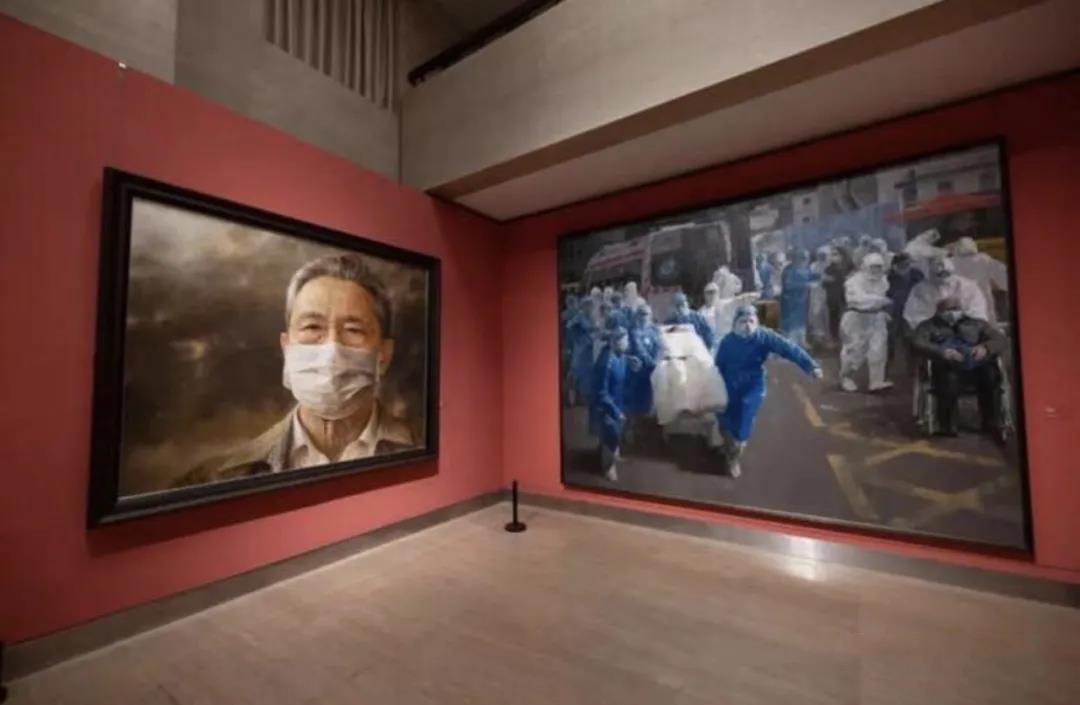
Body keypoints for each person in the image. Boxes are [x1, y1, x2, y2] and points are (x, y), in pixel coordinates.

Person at [175, 254, 414, 487]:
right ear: (287, 348)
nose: (331, 350)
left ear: (384, 355)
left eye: (354, 330)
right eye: (312, 327)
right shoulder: (213, 480)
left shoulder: (423, 450)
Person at [714, 305, 823, 477]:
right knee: (725, 419)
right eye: (743, 321)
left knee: (744, 419)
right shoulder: (727, 342)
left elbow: (789, 349)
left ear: (757, 322)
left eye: (751, 321)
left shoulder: (764, 337)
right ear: (735, 323)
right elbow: (718, 366)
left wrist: (810, 366)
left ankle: (734, 456)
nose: (747, 326)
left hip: (753, 385)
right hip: (729, 384)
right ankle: (729, 444)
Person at [911, 297, 1007, 439]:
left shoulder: (978, 324)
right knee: (948, 379)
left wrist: (985, 348)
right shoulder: (927, 326)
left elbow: (1000, 339)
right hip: (947, 366)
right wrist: (942, 352)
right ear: (938, 311)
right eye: (948, 309)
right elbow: (917, 342)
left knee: (991, 375)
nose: (952, 312)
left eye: (955, 309)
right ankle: (947, 425)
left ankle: (991, 423)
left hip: (975, 366)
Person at [839, 253, 893, 393]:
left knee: (878, 350)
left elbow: (883, 299)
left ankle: (876, 381)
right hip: (856, 319)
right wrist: (880, 301)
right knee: (854, 351)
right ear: (865, 266)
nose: (875, 270)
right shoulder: (853, 282)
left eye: (878, 267)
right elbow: (858, 300)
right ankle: (846, 377)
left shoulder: (883, 281)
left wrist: (882, 310)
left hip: (876, 318)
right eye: (873, 267)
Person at [903, 255, 989, 329]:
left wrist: (961, 316)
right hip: (934, 334)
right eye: (935, 262)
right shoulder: (920, 290)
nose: (942, 267)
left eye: (945, 273)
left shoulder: (968, 286)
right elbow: (913, 319)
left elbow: (979, 316)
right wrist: (936, 318)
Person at [591, 326, 631, 481]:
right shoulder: (606, 361)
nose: (627, 343)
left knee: (614, 434)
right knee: (611, 436)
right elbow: (601, 392)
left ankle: (608, 456)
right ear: (616, 341)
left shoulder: (620, 356)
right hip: (606, 406)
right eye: (625, 340)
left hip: (617, 401)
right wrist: (615, 411)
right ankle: (608, 468)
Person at [951, 237, 1008, 324]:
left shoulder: (952, 262)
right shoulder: (983, 259)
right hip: (983, 303)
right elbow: (1001, 272)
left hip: (962, 303)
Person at [885, 252, 924, 368]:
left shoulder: (916, 275)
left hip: (911, 312)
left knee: (911, 339)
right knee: (890, 339)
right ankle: (886, 366)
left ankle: (913, 367)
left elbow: (923, 292)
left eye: (908, 264)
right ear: (894, 265)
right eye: (902, 265)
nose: (906, 267)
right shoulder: (887, 278)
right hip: (893, 312)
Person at [625, 305, 662, 423]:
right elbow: (639, 349)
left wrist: (656, 360)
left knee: (650, 398)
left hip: (652, 370)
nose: (644, 317)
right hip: (639, 371)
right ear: (637, 316)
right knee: (638, 400)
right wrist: (652, 363)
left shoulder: (654, 330)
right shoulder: (634, 331)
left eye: (646, 314)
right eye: (641, 314)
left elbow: (659, 346)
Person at [779, 249, 820, 348]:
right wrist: (805, 285)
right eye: (803, 258)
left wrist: (820, 276)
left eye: (806, 258)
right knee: (792, 324)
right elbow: (788, 286)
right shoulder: (789, 270)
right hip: (790, 302)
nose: (805, 260)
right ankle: (791, 344)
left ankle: (801, 341)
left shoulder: (805, 268)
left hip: (802, 302)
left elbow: (810, 276)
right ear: (796, 258)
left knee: (801, 322)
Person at [568, 298, 599, 405]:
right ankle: (573, 395)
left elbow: (596, 330)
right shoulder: (579, 316)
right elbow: (569, 326)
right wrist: (576, 337)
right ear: (584, 306)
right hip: (580, 349)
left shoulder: (592, 317)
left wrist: (594, 334)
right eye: (588, 305)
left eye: (591, 306)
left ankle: (584, 396)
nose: (590, 308)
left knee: (587, 374)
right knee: (576, 371)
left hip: (589, 349)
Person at [822, 245, 855, 342]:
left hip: (847, 298)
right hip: (833, 299)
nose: (833, 257)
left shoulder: (850, 267)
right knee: (833, 320)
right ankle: (834, 338)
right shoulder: (829, 268)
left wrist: (837, 280)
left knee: (848, 319)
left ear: (843, 255)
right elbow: (824, 283)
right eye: (832, 254)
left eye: (836, 254)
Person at [808, 246, 832, 347]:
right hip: (815, 293)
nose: (822, 257)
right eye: (820, 255)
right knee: (815, 315)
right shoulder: (813, 266)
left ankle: (827, 337)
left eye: (824, 255)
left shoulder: (829, 266)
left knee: (826, 315)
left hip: (827, 293)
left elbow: (831, 279)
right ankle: (817, 338)